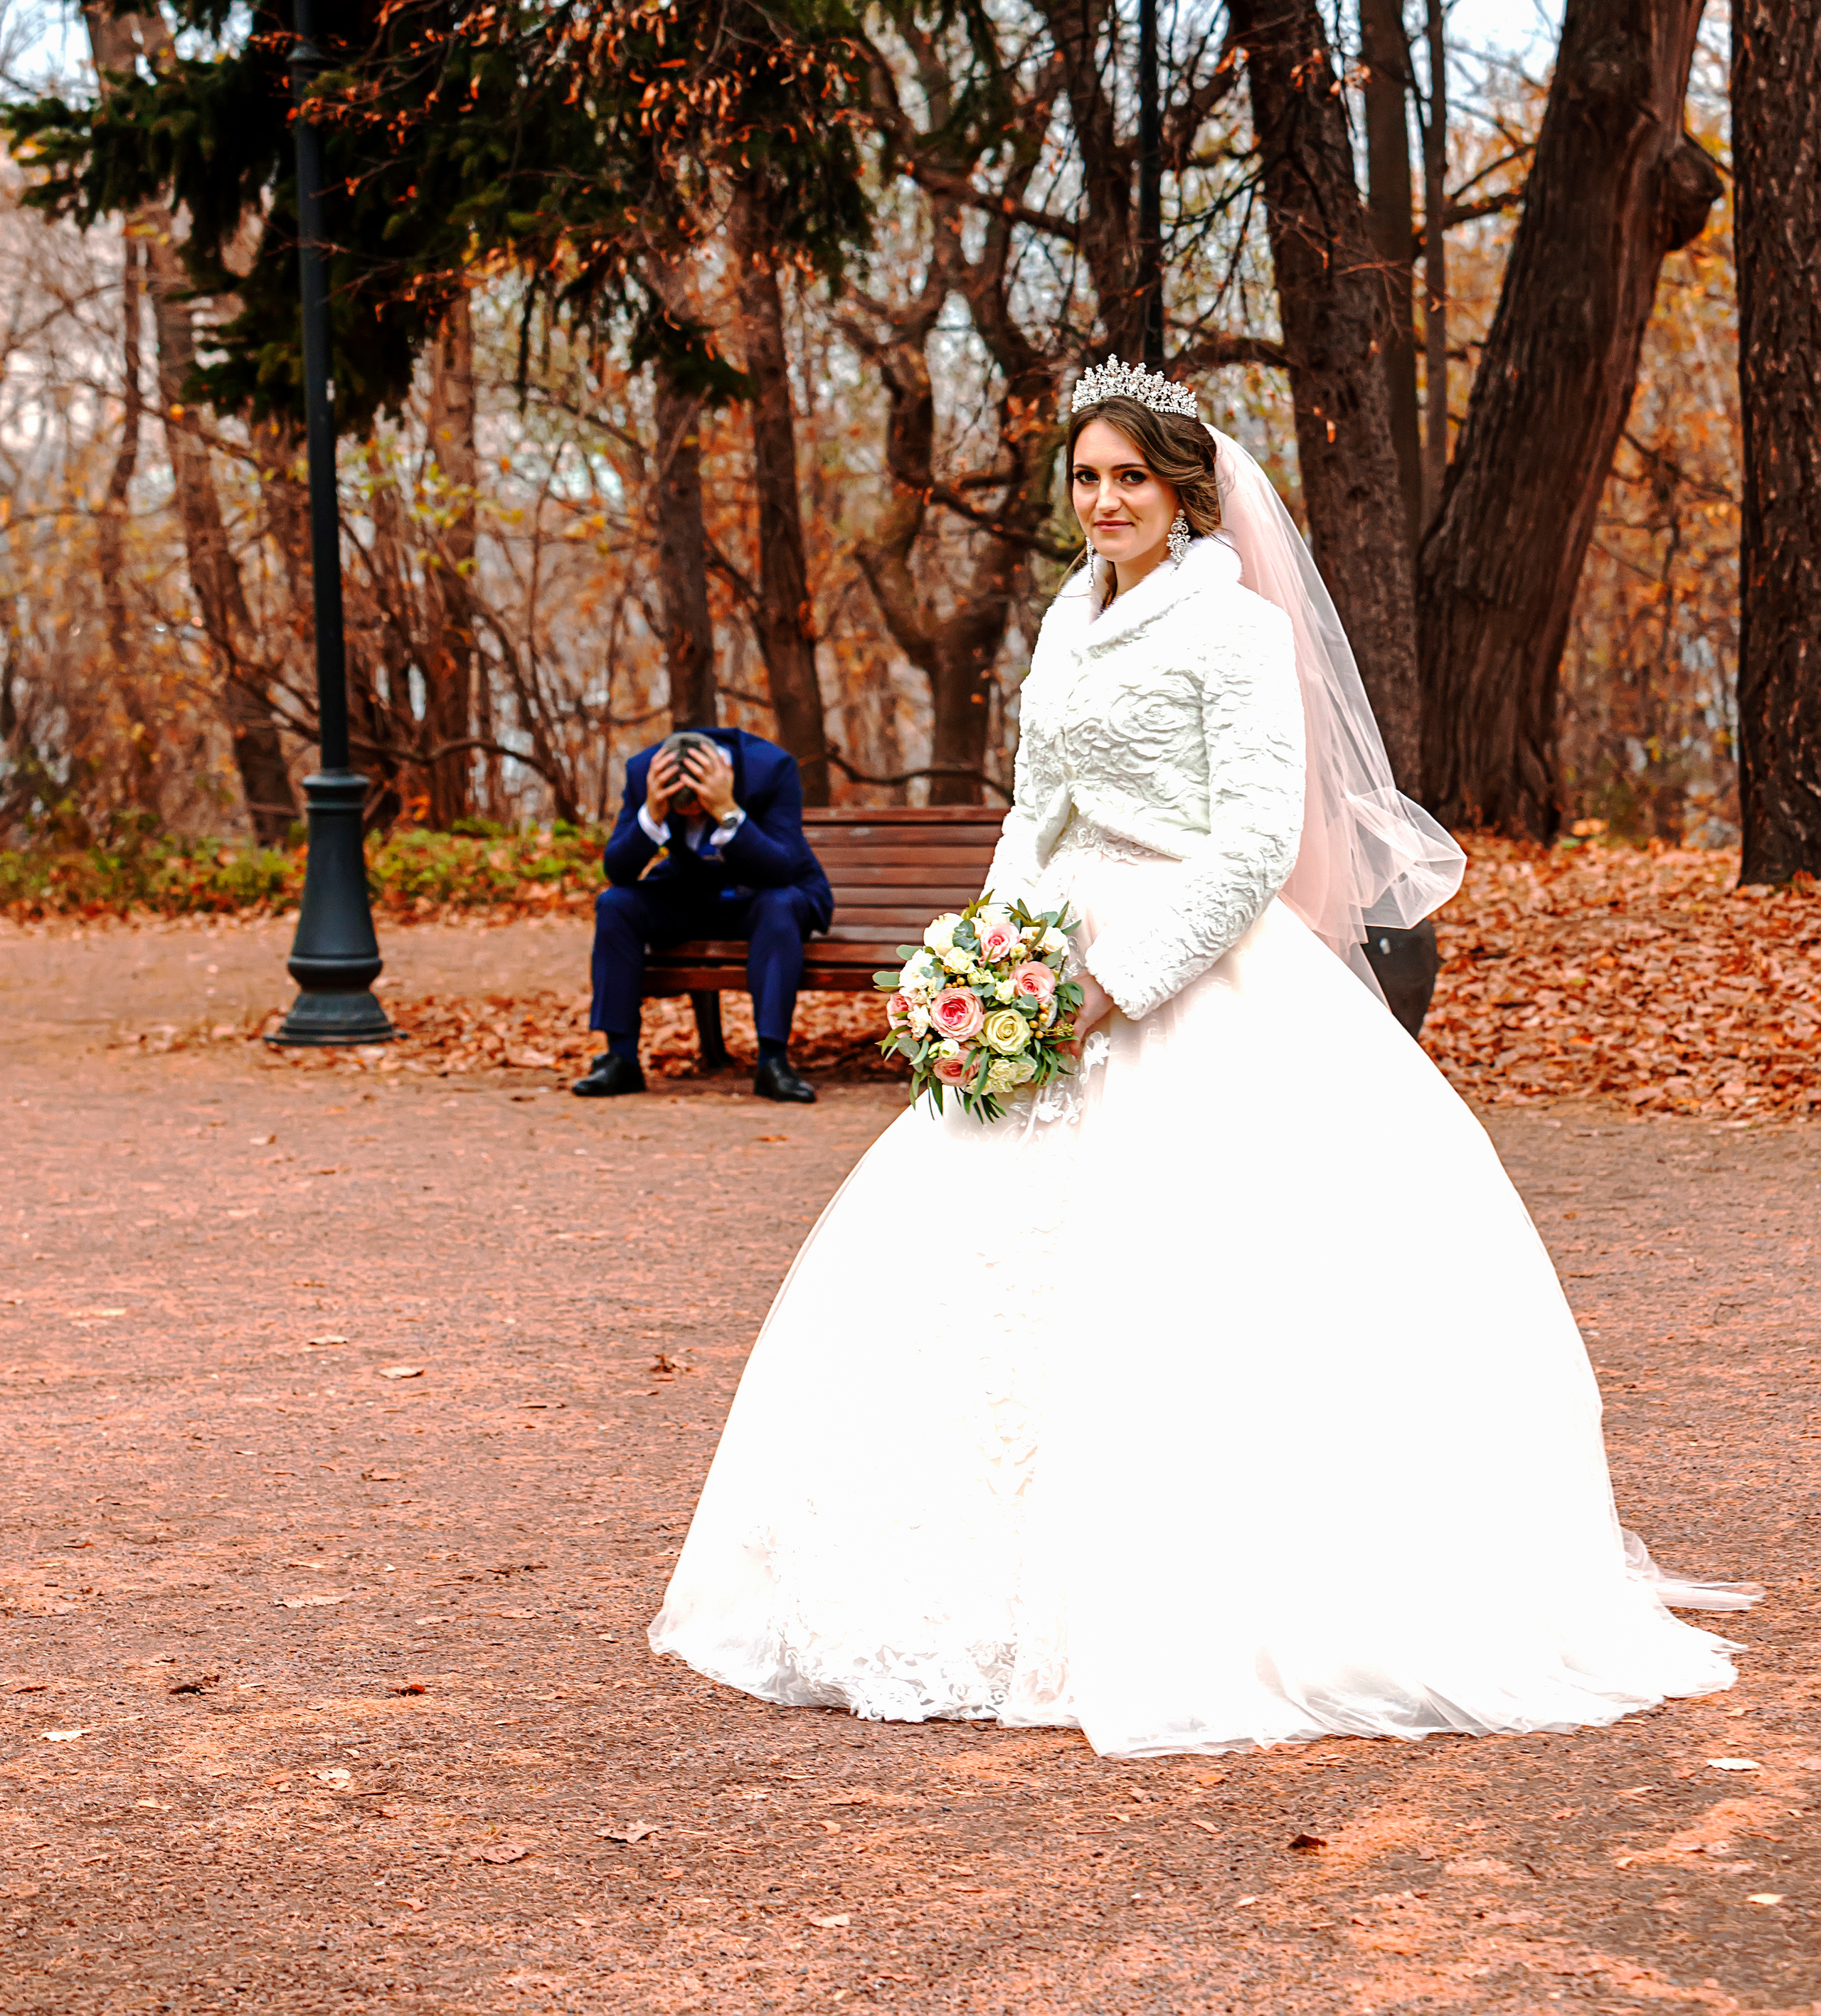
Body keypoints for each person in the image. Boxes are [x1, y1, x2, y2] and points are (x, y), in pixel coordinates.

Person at [648, 360, 1752, 1758]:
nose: (1104, 501)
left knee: (1204, 1292)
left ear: (1178, 494)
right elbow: (1031, 814)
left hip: (1189, 973)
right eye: (1086, 478)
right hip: (1039, 969)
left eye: (1129, 478)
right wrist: (980, 959)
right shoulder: (1061, 619)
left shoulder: (1226, 627)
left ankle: (1217, 1600)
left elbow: (1247, 845)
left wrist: (1116, 982)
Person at [574, 724, 833, 1105]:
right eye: (685, 812)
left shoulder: (770, 768)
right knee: (616, 905)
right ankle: (621, 1058)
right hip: (691, 893)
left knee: (779, 908)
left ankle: (773, 1062)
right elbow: (619, 870)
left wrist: (728, 812)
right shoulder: (644, 771)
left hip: (764, 894)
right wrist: (652, 813)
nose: (693, 818)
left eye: (697, 807)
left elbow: (782, 868)